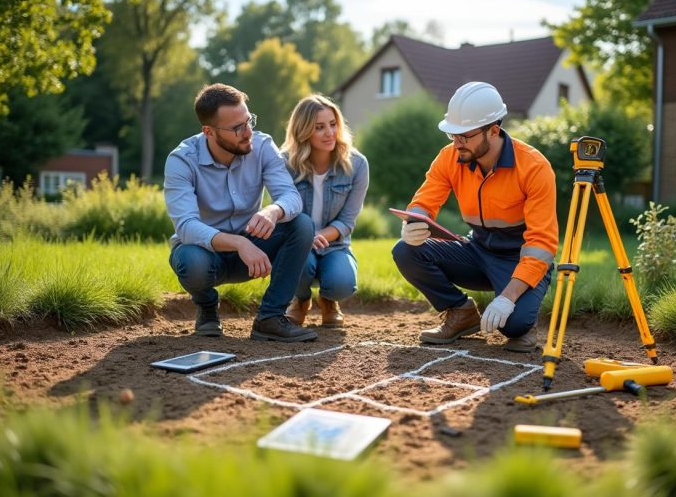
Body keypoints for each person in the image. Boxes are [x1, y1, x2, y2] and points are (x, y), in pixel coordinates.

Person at [391, 82, 558, 352]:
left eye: (464, 136)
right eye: (452, 135)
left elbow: (541, 243)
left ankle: (523, 318)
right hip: (476, 249)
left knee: (514, 326)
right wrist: (413, 222)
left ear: (493, 131)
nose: (456, 143)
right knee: (405, 251)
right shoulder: (450, 157)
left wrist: (508, 297)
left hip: (518, 259)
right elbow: (425, 200)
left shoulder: (535, 168)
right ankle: (461, 313)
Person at [164, 83, 317, 343]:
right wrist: (239, 242)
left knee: (301, 224)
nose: (248, 132)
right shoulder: (181, 160)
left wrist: (273, 210)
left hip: (254, 252)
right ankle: (207, 306)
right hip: (207, 254)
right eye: (237, 128)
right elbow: (186, 226)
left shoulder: (262, 145)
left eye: (249, 121)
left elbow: (291, 197)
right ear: (208, 131)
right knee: (190, 261)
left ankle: (270, 318)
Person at [280, 95, 369, 327]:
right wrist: (305, 238)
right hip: (296, 241)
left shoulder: (357, 164)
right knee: (299, 266)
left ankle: (329, 300)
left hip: (335, 244)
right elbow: (282, 213)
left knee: (342, 283)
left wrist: (319, 236)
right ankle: (300, 300)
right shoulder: (285, 164)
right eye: (319, 127)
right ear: (303, 130)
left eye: (333, 124)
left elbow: (347, 221)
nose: (329, 132)